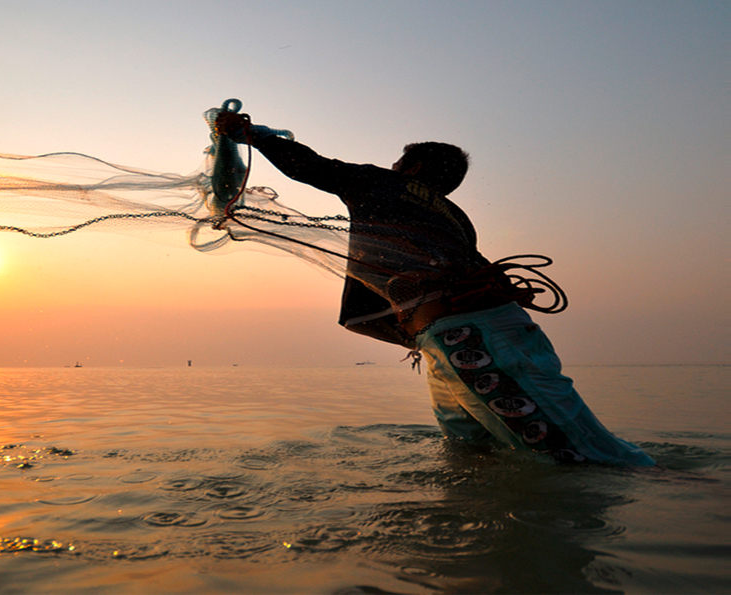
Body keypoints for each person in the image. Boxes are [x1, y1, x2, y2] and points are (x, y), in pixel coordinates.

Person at [216, 111, 655, 466]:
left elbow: (313, 168)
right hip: (454, 340)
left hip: (476, 338)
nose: (391, 168)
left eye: (398, 163)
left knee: (583, 454)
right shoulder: (454, 216)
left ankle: (683, 488)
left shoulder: (384, 184)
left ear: (415, 168)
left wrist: (252, 135)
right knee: (474, 455)